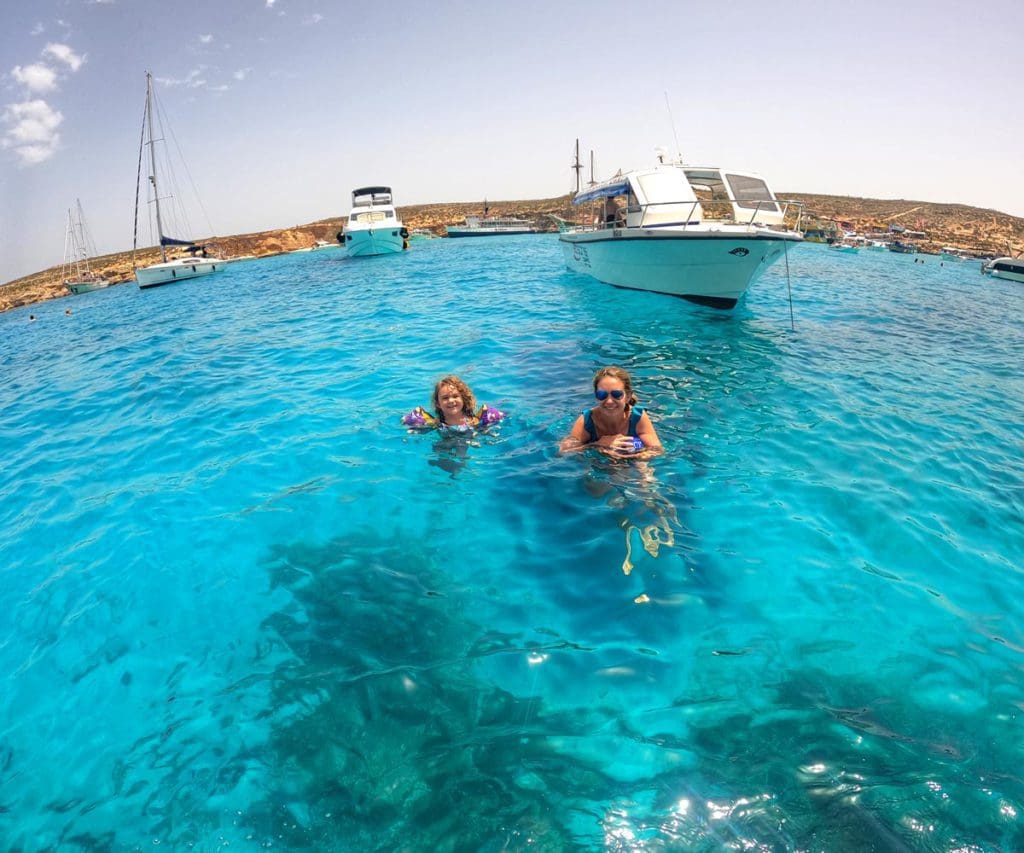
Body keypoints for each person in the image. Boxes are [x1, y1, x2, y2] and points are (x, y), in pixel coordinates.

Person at [560, 366, 662, 457]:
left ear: (628, 396)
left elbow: (657, 450)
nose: (609, 401)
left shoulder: (637, 417)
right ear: (596, 396)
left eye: (616, 394)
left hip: (631, 460)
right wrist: (597, 445)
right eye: (602, 395)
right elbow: (564, 451)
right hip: (599, 461)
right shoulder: (587, 420)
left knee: (644, 471)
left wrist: (635, 454)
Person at [401, 375, 504, 431]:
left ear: (463, 398)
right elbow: (404, 422)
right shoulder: (436, 425)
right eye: (445, 398)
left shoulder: (476, 422)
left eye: (455, 396)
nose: (451, 401)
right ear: (438, 403)